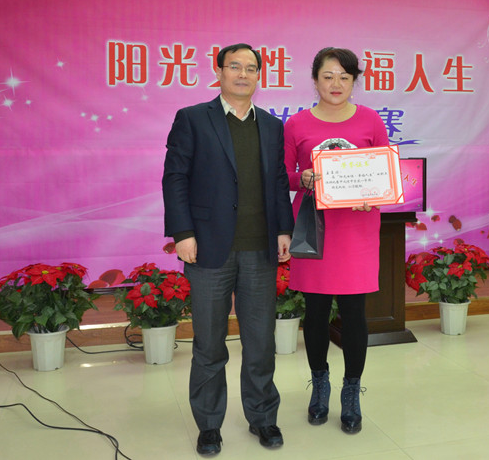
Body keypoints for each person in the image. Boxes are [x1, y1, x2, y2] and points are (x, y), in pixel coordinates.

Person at [162, 43, 294, 456]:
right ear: (218, 72)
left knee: (261, 342)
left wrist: (284, 229)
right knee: (209, 343)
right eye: (234, 66)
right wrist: (183, 232)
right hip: (207, 250)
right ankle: (208, 424)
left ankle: (263, 416)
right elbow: (175, 178)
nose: (242, 74)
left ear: (259, 76)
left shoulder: (271, 125)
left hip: (259, 250)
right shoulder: (192, 118)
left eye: (251, 68)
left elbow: (278, 181)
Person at [283, 47, 388, 434]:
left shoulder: (370, 119)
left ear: (354, 81)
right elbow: (283, 175)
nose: (336, 84)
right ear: (315, 80)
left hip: (356, 229)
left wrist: (374, 193)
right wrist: (303, 178)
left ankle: (351, 390)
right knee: (315, 313)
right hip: (314, 228)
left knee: (355, 313)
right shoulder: (296, 124)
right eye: (328, 76)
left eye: (344, 77)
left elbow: (382, 172)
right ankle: (320, 385)